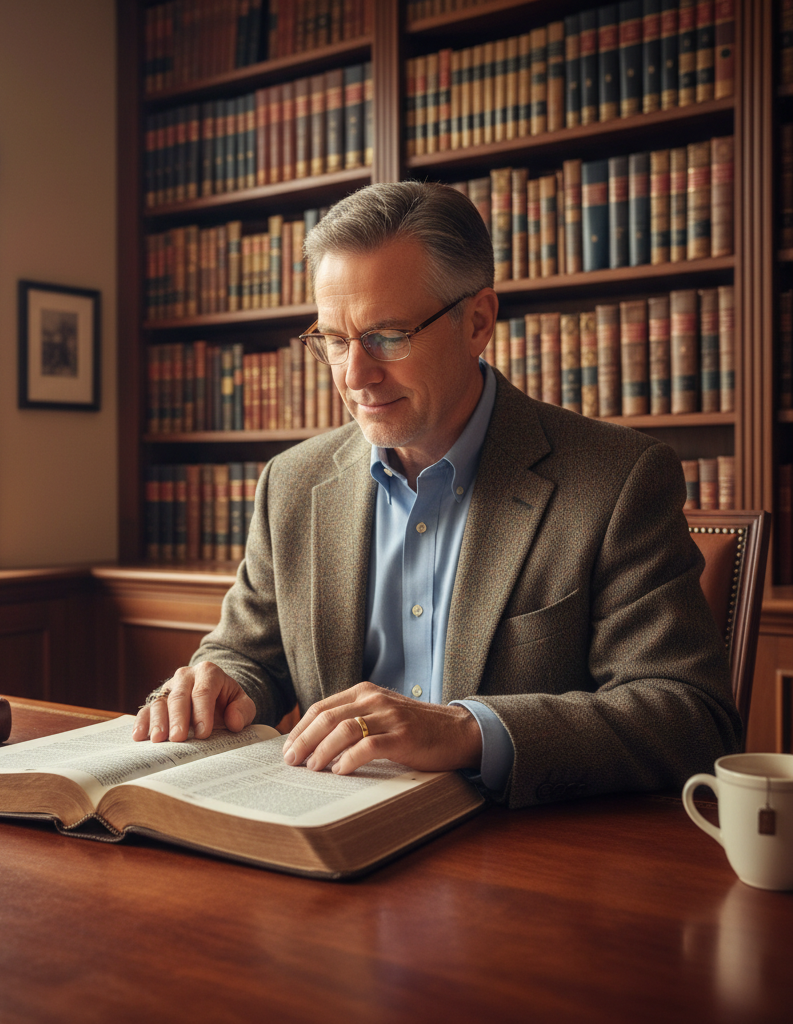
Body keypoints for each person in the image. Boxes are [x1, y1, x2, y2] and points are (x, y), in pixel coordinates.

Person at [132, 181, 741, 809]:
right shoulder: (292, 482)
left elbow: (690, 717)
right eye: (335, 340)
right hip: (330, 845)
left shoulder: (618, 480)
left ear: (477, 322)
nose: (354, 376)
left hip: (524, 861)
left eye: (388, 336)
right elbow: (249, 653)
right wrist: (220, 681)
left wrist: (466, 729)